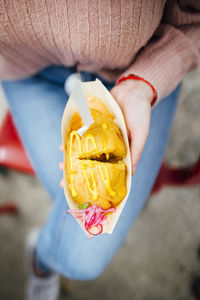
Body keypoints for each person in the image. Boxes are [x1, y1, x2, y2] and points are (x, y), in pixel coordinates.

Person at [0, 1, 200, 299]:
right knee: (78, 238)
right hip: (27, 75)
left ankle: (42, 258)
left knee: (82, 251)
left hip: (139, 68)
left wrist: (144, 84)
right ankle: (42, 262)